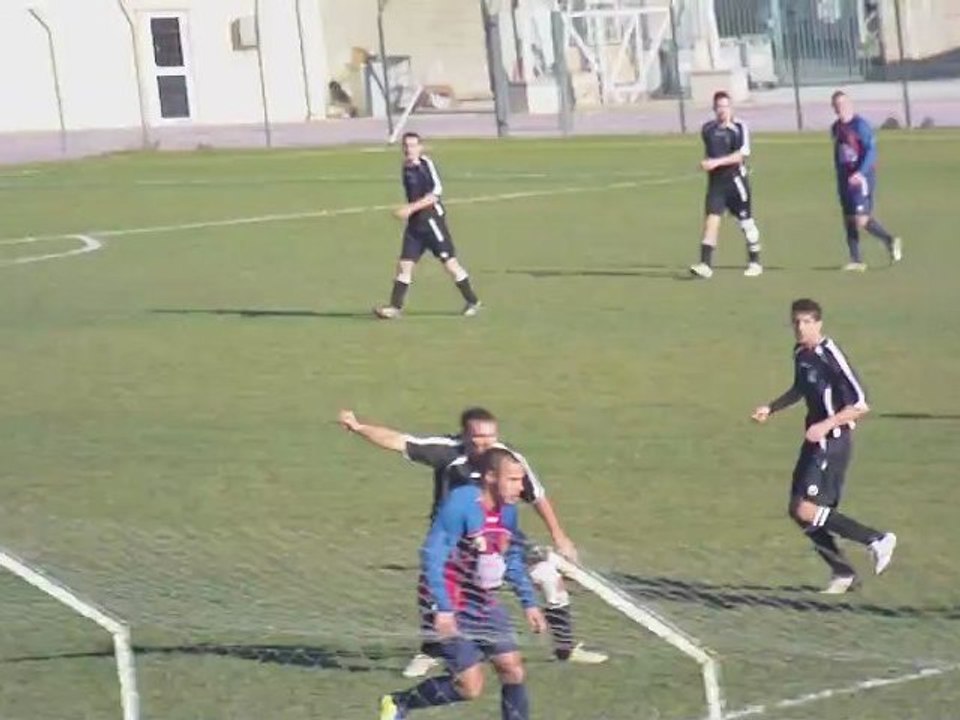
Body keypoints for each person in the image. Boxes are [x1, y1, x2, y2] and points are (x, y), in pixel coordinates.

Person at [337, 407, 608, 676]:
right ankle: (430, 652)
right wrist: (360, 428)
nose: (484, 444)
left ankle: (564, 648)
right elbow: (397, 441)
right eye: (477, 438)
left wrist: (560, 537)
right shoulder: (446, 452)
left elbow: (536, 496)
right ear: (464, 435)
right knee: (438, 590)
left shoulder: (507, 459)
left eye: (490, 438)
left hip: (500, 538)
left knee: (549, 577)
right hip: (458, 542)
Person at [379, 447, 544, 720]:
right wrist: (442, 607)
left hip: (484, 602)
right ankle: (400, 702)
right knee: (470, 687)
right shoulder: (462, 503)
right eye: (513, 480)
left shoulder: (509, 513)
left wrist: (529, 602)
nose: (520, 487)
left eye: (521, 480)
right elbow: (433, 554)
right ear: (491, 477)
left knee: (512, 668)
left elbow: (511, 556)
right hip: (451, 601)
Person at [751, 298, 897, 594]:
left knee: (807, 510)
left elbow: (861, 403)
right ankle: (842, 572)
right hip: (815, 440)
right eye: (796, 322)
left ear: (818, 323)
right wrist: (772, 407)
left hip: (833, 441)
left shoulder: (831, 355)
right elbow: (799, 389)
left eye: (806, 322)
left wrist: (826, 425)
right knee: (797, 510)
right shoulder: (800, 353)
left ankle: (877, 539)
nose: (800, 328)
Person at [374, 132, 481, 319]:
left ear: (420, 147)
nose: (409, 149)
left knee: (450, 264)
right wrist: (411, 213)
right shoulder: (405, 166)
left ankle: (472, 300)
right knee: (404, 265)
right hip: (415, 225)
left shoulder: (425, 166)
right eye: (406, 146)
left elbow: (435, 194)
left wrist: (409, 209)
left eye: (413, 145)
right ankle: (394, 307)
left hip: (432, 222)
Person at [689, 91, 763, 279]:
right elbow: (712, 151)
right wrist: (707, 163)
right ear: (714, 109)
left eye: (725, 106)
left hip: (736, 182)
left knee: (746, 223)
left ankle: (755, 262)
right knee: (711, 221)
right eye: (719, 106)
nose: (722, 110)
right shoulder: (707, 129)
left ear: (731, 108)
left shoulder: (739, 128)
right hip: (716, 184)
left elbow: (741, 155)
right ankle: (705, 265)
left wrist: (714, 163)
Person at [830, 90, 903, 271]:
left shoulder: (861, 125)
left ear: (850, 105)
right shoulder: (835, 128)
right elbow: (839, 154)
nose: (841, 108)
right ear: (833, 108)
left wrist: (861, 173)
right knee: (848, 219)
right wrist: (840, 177)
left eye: (844, 104)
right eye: (837, 105)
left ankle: (890, 240)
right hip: (845, 180)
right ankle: (856, 260)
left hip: (861, 179)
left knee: (861, 220)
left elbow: (871, 151)